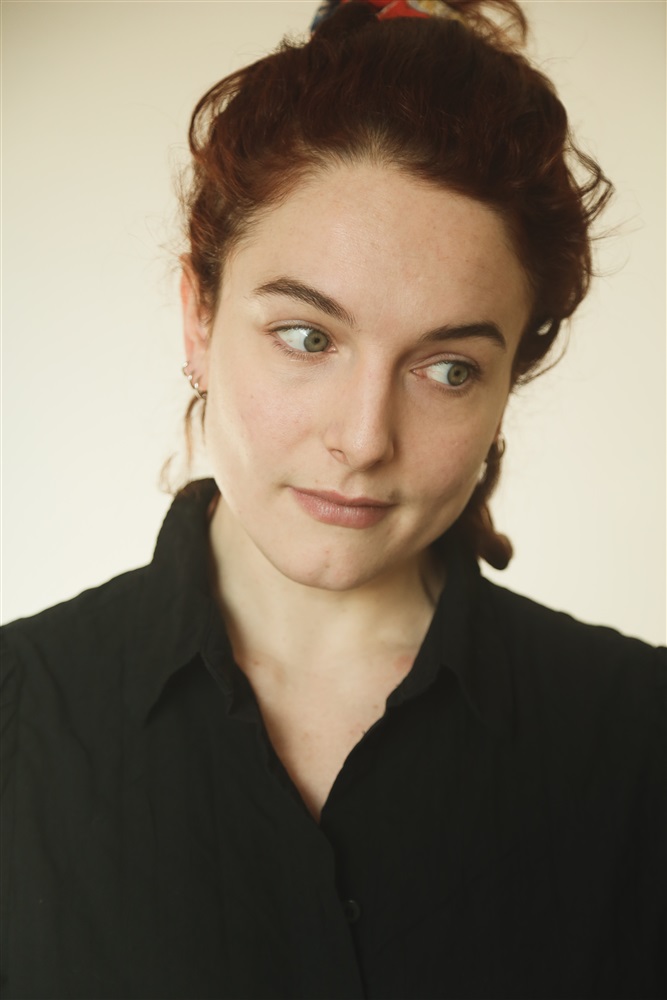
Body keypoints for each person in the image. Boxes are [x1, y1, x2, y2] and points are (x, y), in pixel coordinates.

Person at [1, 1, 664, 998]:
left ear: (506, 386)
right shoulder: (17, 716)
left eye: (447, 368)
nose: (363, 438)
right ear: (198, 316)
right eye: (308, 338)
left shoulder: (639, 739)